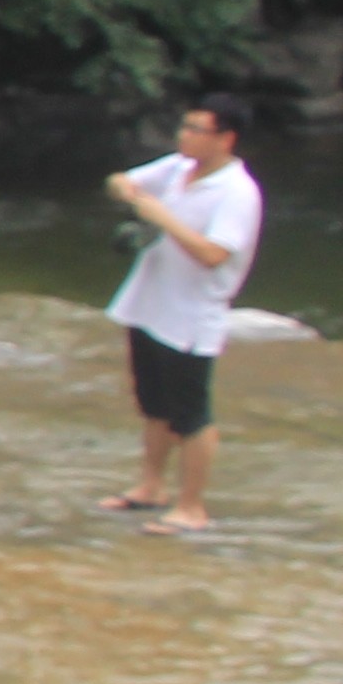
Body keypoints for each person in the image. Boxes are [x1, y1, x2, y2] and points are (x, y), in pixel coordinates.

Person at [103, 93, 263, 535]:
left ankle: (192, 507)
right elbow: (120, 180)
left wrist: (163, 216)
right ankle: (150, 486)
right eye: (185, 128)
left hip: (192, 314)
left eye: (197, 130)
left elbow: (213, 254)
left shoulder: (237, 192)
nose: (185, 137)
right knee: (153, 403)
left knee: (192, 414)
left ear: (225, 138)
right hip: (150, 301)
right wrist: (128, 191)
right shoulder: (177, 168)